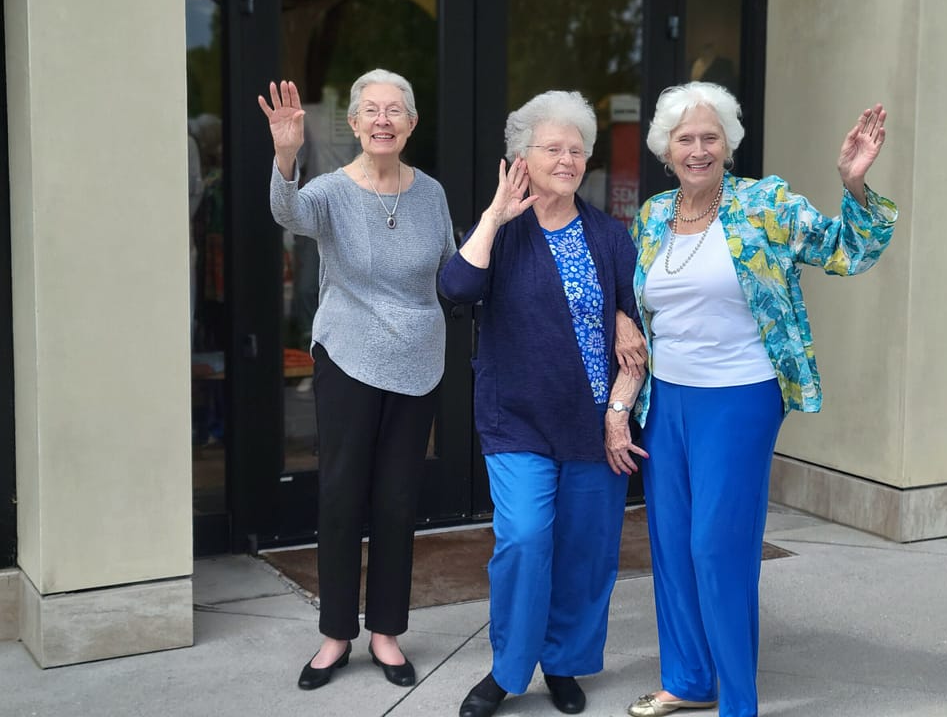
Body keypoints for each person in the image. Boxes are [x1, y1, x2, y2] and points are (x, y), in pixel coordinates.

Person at [603, 82, 896, 717]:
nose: (699, 149)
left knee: (717, 545)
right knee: (673, 543)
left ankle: (738, 699)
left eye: (711, 137)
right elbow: (637, 302)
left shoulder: (764, 205)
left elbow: (847, 250)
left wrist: (853, 185)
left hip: (740, 396)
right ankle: (687, 678)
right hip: (668, 399)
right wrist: (625, 333)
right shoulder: (652, 216)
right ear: (666, 148)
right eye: (686, 139)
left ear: (729, 145)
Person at [439, 91, 646, 717]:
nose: (567, 160)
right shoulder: (501, 232)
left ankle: (563, 662)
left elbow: (637, 341)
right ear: (520, 158)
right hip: (518, 420)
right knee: (525, 540)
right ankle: (507, 671)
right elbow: (456, 290)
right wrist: (494, 217)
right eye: (552, 148)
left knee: (586, 554)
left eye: (577, 150)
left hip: (593, 425)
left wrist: (617, 414)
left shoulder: (610, 235)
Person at [257, 69, 457, 691]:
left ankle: (387, 633)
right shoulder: (329, 192)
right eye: (370, 110)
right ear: (352, 123)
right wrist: (285, 156)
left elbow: (452, 267)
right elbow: (286, 212)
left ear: (412, 123)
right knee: (342, 497)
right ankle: (336, 633)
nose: (382, 119)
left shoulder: (432, 194)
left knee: (398, 500)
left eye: (395, 110)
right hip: (347, 356)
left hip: (418, 362)